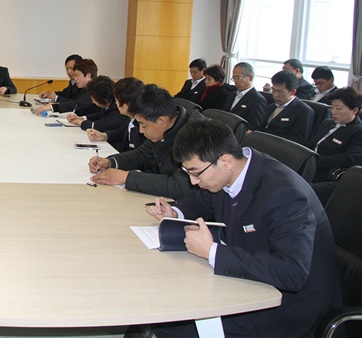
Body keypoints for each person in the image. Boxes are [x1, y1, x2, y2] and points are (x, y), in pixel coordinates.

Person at [146, 118, 342, 337]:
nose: (193, 181)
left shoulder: (285, 194)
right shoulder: (230, 173)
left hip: (286, 310)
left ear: (225, 160)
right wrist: (175, 213)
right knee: (164, 310)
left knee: (174, 326)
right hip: (247, 284)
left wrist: (212, 251)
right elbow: (203, 201)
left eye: (196, 172)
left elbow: (292, 273)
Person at [88, 84, 199, 199]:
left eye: (144, 126)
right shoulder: (163, 130)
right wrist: (110, 162)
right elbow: (142, 155)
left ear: (162, 121)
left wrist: (127, 178)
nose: (141, 131)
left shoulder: (196, 136)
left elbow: (181, 186)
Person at [305, 87, 362, 183]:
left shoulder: (358, 131)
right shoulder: (327, 123)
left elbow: (349, 158)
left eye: (339, 109)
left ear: (355, 110)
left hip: (327, 173)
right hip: (309, 165)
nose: (334, 112)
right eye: (332, 107)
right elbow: (311, 144)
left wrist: (313, 161)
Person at [87, 77, 146, 154]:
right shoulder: (131, 118)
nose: (116, 103)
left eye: (117, 101)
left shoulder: (143, 126)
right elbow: (121, 132)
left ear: (127, 104)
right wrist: (104, 136)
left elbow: (140, 154)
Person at [257, 70, 313, 144]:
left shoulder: (304, 111)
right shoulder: (270, 107)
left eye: (280, 92)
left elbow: (298, 140)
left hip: (279, 147)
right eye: (273, 90)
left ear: (293, 92)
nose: (276, 95)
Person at [34, 59, 102, 117]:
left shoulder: (95, 90)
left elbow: (78, 104)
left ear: (88, 76)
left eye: (77, 75)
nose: (75, 78)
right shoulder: (89, 88)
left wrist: (52, 107)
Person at [222, 62, 266, 131]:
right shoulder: (231, 95)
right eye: (234, 78)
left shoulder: (258, 100)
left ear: (250, 78)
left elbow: (254, 126)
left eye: (238, 78)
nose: (235, 81)